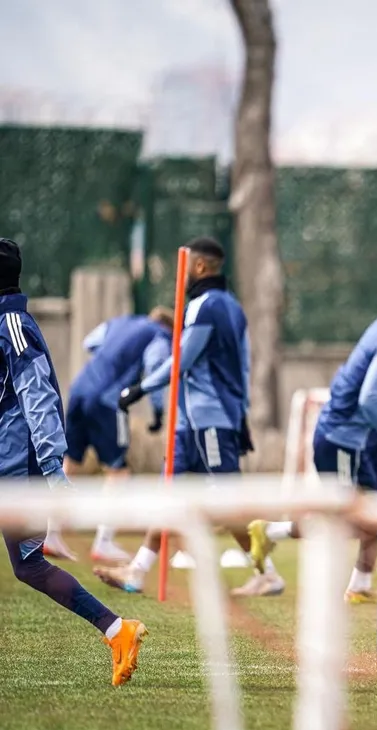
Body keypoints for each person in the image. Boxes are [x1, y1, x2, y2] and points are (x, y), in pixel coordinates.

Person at [246, 265, 377, 603]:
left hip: (361, 440)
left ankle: (360, 586)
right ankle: (270, 531)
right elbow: (370, 399)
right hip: (341, 439)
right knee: (342, 521)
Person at [0, 237, 147, 686]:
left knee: (28, 564)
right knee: (28, 566)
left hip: (18, 466)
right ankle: (118, 630)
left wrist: (53, 470)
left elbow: (39, 398)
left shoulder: (12, 324)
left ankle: (117, 629)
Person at [93, 237, 271, 597]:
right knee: (169, 494)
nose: (181, 275)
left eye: (184, 267)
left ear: (200, 266)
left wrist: (140, 388)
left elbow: (182, 360)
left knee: (228, 500)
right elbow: (241, 363)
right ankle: (137, 571)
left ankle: (271, 563)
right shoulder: (232, 306)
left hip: (210, 418)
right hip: (191, 422)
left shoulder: (206, 307)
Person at [41, 309, 173, 564]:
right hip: (108, 401)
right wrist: (158, 411)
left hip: (80, 390)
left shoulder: (120, 322)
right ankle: (103, 542)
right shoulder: (160, 336)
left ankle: (51, 535)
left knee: (69, 464)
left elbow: (89, 342)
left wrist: (111, 359)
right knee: (118, 472)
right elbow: (156, 365)